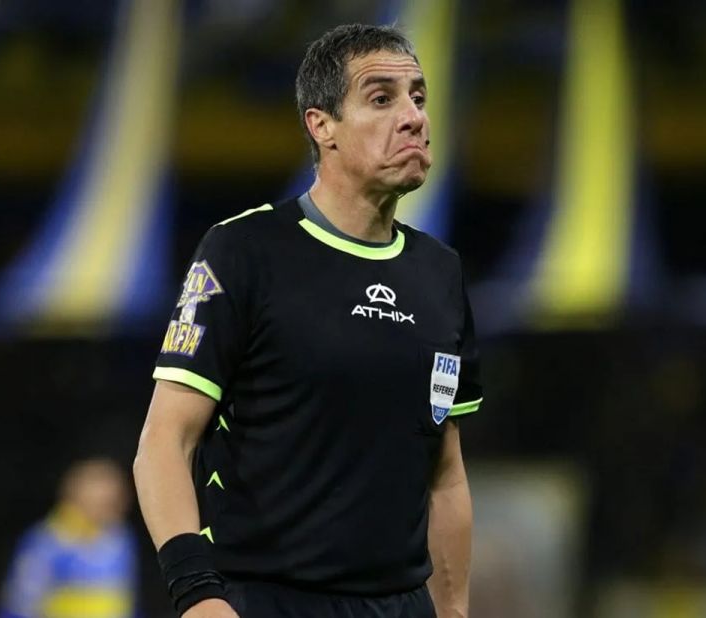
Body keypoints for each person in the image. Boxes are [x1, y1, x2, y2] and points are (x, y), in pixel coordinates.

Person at [133, 23, 481, 618]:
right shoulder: (244, 251)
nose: (414, 117)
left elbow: (445, 474)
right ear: (322, 127)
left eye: (419, 98)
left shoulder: (439, 272)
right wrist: (196, 593)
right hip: (266, 600)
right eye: (382, 98)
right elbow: (165, 441)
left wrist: (453, 612)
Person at [0, 458, 138, 618]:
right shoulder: (46, 542)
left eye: (117, 499)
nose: (117, 505)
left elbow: (125, 602)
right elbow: (18, 606)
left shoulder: (121, 538)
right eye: (105, 502)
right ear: (75, 495)